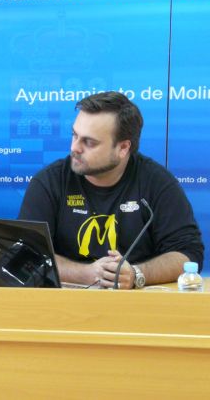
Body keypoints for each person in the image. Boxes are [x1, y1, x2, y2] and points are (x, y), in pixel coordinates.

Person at [18, 91, 204, 289]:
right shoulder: (49, 181)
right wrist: (85, 274)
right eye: (74, 135)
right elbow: (25, 254)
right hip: (65, 303)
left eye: (89, 142)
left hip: (136, 303)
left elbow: (188, 254)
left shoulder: (157, 183)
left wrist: (136, 274)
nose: (75, 148)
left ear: (123, 148)